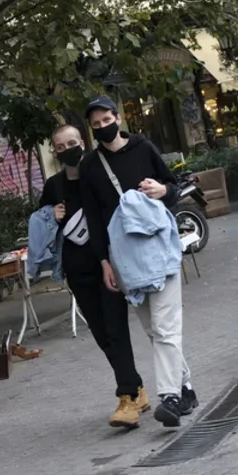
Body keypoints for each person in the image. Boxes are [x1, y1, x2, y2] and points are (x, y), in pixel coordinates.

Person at [78, 96, 197, 427]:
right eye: (96, 124)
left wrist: (162, 190)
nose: (103, 127)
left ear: (118, 118)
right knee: (154, 330)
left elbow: (174, 187)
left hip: (159, 251)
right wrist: (104, 262)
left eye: (107, 120)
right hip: (125, 260)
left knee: (165, 327)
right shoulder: (91, 166)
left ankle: (170, 397)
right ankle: (186, 389)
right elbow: (93, 217)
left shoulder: (143, 147)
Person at [38, 124, 148, 428]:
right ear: (54, 151)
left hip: (109, 266)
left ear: (82, 143)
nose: (67, 149)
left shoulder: (98, 173)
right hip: (77, 272)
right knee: (102, 335)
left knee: (116, 330)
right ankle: (137, 389)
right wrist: (51, 217)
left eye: (72, 142)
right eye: (60, 146)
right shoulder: (54, 186)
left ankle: (127, 397)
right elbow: (40, 226)